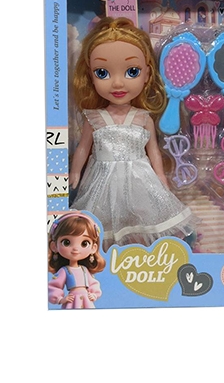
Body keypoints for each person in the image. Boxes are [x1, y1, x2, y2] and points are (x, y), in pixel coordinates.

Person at [70, 17, 198, 250]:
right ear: (90, 75)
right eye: (102, 73)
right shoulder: (94, 118)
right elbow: (83, 148)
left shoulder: (143, 117)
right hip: (102, 181)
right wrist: (75, 172)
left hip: (140, 178)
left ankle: (142, 254)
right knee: (103, 226)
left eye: (132, 71)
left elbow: (153, 151)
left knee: (143, 220)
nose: (118, 83)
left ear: (147, 74)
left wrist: (161, 176)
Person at [48, 211, 105, 309]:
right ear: (54, 246)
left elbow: (93, 283)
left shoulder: (84, 270)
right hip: (72, 302)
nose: (75, 249)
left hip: (86, 301)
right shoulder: (65, 271)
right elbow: (54, 285)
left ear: (93, 248)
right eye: (66, 242)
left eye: (84, 243)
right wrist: (60, 299)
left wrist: (94, 294)